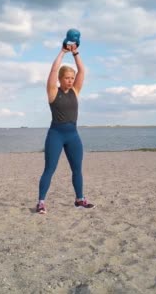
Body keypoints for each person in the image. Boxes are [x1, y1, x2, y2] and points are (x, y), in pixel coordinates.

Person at [36, 43, 95, 214]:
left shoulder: (75, 91)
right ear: (60, 79)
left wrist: (75, 52)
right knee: (50, 169)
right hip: (56, 134)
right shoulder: (53, 92)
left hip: (73, 135)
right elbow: (53, 71)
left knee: (77, 169)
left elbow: (82, 71)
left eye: (72, 77)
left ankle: (79, 199)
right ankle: (41, 202)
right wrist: (62, 52)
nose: (70, 80)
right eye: (67, 78)